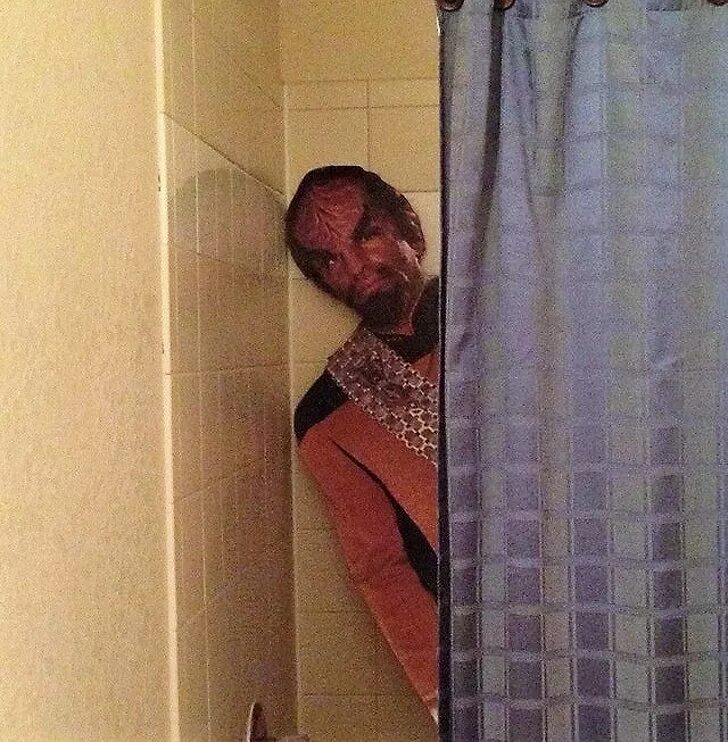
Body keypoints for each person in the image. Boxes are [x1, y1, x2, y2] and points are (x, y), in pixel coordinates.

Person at [286, 166, 439, 720]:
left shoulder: (502, 314)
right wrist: (445, 699)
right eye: (328, 260)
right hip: (487, 642)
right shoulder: (326, 415)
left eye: (365, 235)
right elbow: (382, 569)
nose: (353, 267)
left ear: (409, 227)